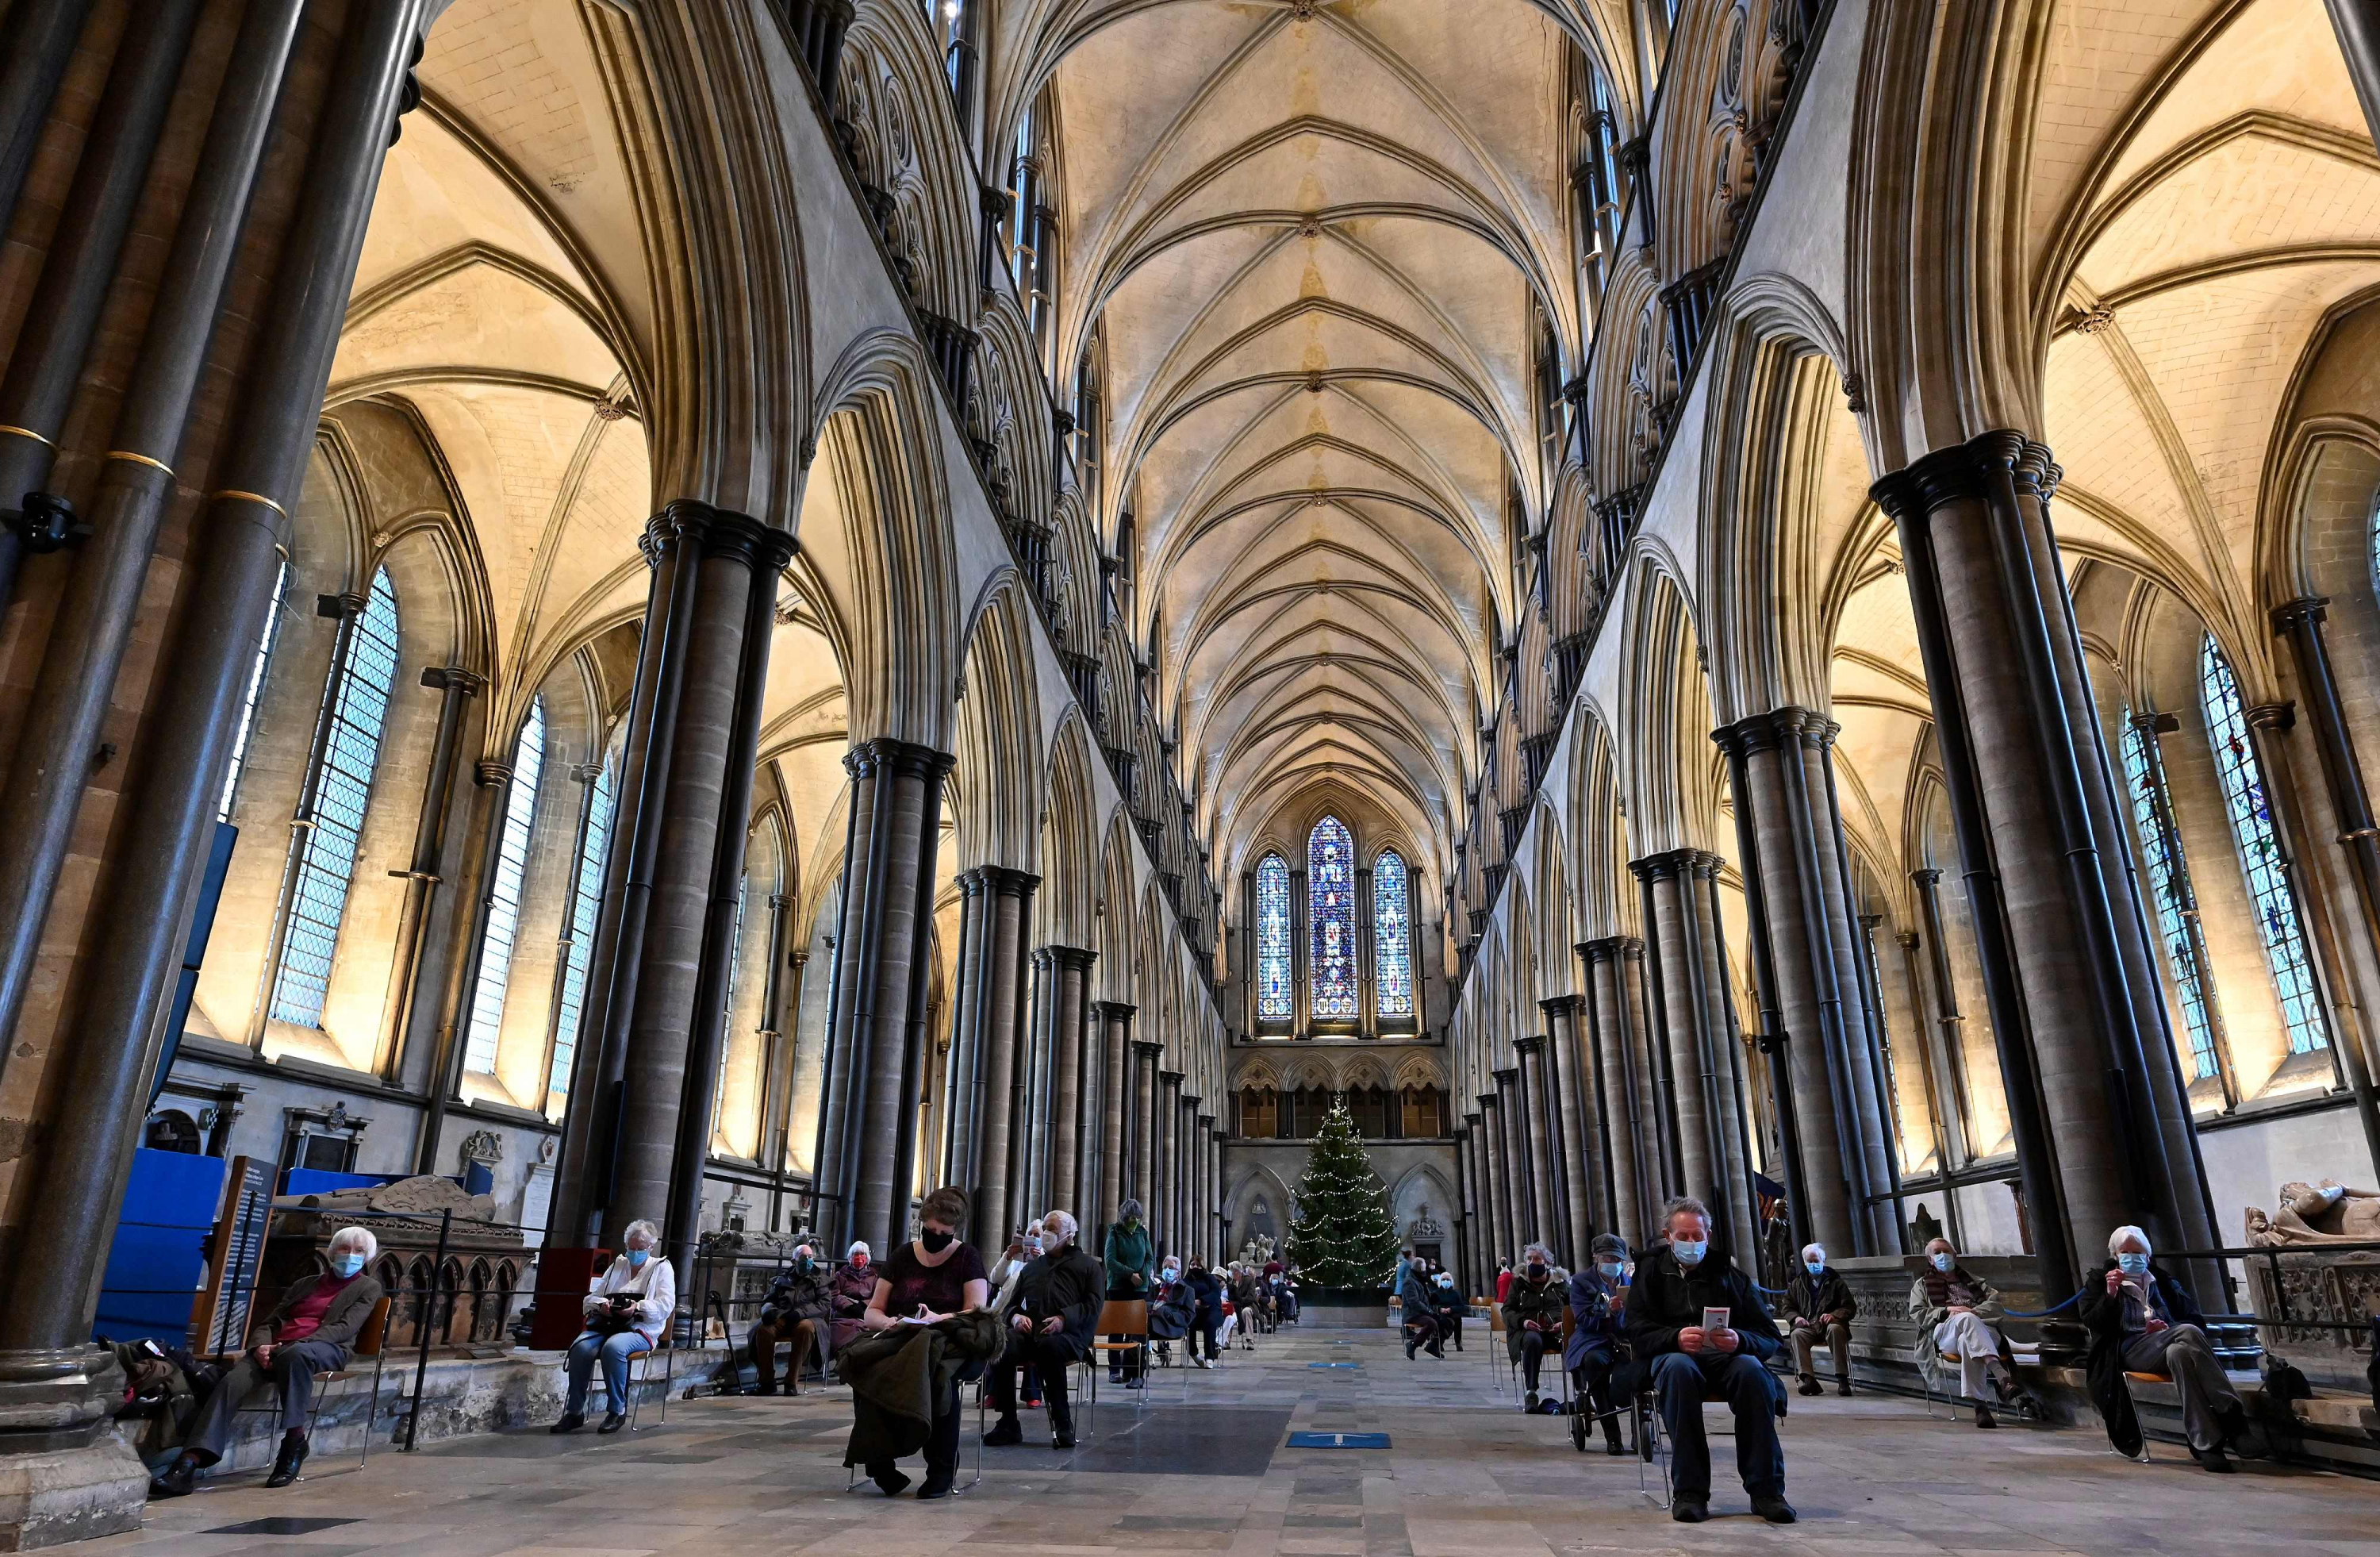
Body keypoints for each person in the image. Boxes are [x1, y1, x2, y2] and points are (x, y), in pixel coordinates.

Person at [148, 1227, 386, 1497]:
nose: (350, 1255)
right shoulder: (304, 1284)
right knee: (231, 1382)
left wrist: (288, 1346)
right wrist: (260, 1346)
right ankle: (188, 1464)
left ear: (366, 1258)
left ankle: (294, 1442)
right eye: (345, 1249)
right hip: (275, 1349)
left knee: (295, 1356)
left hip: (325, 1349)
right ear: (332, 1252)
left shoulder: (368, 1287)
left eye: (358, 1251)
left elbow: (344, 1328)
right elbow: (271, 1321)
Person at [1626, 1198, 1793, 1525]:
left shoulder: (1730, 1275)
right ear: (1668, 1235)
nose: (1692, 1243)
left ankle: (1767, 1491)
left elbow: (1769, 1335)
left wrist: (1739, 1340)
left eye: (1697, 1236)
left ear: (1709, 1235)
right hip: (1673, 1358)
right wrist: (1674, 1338)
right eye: (1683, 1236)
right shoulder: (1649, 1274)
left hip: (1725, 1359)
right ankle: (1690, 1491)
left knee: (1754, 1373)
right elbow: (1635, 1331)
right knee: (1678, 1370)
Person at [851, 1185, 991, 1497]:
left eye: (944, 1232)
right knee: (865, 1368)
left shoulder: (967, 1257)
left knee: (937, 1377)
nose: (935, 1236)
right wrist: (889, 1322)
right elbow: (872, 1311)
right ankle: (880, 1465)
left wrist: (936, 1318)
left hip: (951, 1341)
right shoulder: (903, 1256)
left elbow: (976, 1313)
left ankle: (941, 1469)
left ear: (955, 1231)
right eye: (930, 1230)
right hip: (901, 1337)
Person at [2082, 1225, 2248, 1472]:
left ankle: (2206, 1444)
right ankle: (2232, 1416)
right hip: (2127, 1352)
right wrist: (2112, 1295)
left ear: (2147, 1256)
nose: (2131, 1256)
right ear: (2115, 1255)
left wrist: (2164, 1329)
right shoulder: (2100, 1281)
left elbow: (2193, 1316)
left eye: (2136, 1251)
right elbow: (2094, 1325)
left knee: (2179, 1353)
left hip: (2165, 1345)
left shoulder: (2162, 1281)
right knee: (2188, 1332)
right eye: (2124, 1252)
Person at [982, 1209, 1104, 1447]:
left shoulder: (1089, 1266)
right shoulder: (1032, 1267)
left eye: (1053, 1230)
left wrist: (1063, 1319)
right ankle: (1008, 1423)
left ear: (1069, 1235)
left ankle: (1063, 1423)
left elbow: (1093, 1305)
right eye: (1046, 1228)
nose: (1047, 1233)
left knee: (1051, 1347)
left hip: (1070, 1335)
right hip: (1032, 1333)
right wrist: (1016, 1317)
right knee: (1005, 1343)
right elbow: (1013, 1305)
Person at [550, 1218, 676, 1436]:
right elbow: (590, 1299)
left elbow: (666, 1305)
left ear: (651, 1247)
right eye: (631, 1248)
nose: (635, 1253)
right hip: (607, 1325)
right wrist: (603, 1305)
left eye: (641, 1249)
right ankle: (575, 1411)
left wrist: (638, 1307)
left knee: (614, 1348)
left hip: (640, 1328)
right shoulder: (617, 1266)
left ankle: (617, 1410)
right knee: (580, 1348)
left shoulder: (661, 1268)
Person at [1907, 1236, 2020, 1428]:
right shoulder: (1922, 1285)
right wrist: (1947, 1310)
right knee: (1965, 1320)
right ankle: (2002, 1375)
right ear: (1930, 1259)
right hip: (1945, 1331)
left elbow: (1996, 1307)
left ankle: (1981, 1408)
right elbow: (1918, 1314)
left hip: (1984, 1330)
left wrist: (1973, 1311)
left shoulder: (1976, 1282)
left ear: (1955, 1255)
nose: (1943, 1256)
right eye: (1937, 1253)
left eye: (1946, 1251)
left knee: (1967, 1341)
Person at [1565, 1234, 1630, 1454]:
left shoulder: (1629, 1282)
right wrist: (1606, 1311)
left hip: (1624, 1340)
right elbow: (1583, 1318)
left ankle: (1643, 1432)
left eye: (1617, 1260)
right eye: (1608, 1259)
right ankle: (1613, 1437)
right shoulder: (1582, 1282)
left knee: (1641, 1366)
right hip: (1593, 1340)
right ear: (1597, 1258)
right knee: (1595, 1366)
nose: (1613, 1264)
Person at [748, 1242, 830, 1396]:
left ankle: (791, 1382)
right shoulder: (781, 1280)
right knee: (763, 1330)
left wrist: (800, 1313)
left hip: (809, 1318)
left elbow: (823, 1305)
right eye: (804, 1257)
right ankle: (766, 1381)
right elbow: (768, 1300)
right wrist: (769, 1311)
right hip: (783, 1315)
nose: (808, 1260)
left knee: (804, 1329)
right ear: (794, 1261)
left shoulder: (821, 1280)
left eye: (811, 1257)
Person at [1780, 1241, 1856, 1398]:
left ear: (1823, 1261)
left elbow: (1849, 1307)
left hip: (1830, 1324)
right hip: (1809, 1325)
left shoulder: (1836, 1282)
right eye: (1810, 1261)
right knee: (1797, 1334)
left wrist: (1834, 1315)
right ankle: (1808, 1379)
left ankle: (1842, 1379)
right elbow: (1787, 1307)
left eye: (1816, 1261)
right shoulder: (1797, 1284)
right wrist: (1796, 1318)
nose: (1813, 1264)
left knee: (1835, 1330)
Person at [1503, 1244, 1564, 1409]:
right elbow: (1507, 1311)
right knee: (1532, 1341)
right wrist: (1523, 1322)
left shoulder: (1561, 1283)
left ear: (1547, 1262)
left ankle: (1580, 1392)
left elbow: (1573, 1308)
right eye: (1529, 1259)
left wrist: (1564, 1323)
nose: (1531, 1262)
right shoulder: (1518, 1284)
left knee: (1573, 1340)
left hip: (1556, 1331)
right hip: (1528, 1331)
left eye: (1536, 1259)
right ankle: (1531, 1392)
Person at [1103, 1198, 1154, 1386]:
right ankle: (1114, 1369)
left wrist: (1142, 1274)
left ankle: (1135, 1373)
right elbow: (1110, 1261)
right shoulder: (1114, 1233)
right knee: (1117, 1329)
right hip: (1118, 1288)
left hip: (1140, 1289)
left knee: (1136, 1332)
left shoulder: (1142, 1233)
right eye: (1131, 1217)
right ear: (1124, 1218)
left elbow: (1150, 1258)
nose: (1134, 1220)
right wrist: (1129, 1275)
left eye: (1137, 1217)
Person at [828, 1240, 877, 1355]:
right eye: (856, 1254)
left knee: (866, 1344)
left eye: (862, 1254)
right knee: (842, 1342)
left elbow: (877, 1296)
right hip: (843, 1317)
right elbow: (834, 1294)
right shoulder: (840, 1275)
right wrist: (848, 1306)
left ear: (867, 1257)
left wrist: (863, 1304)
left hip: (864, 1317)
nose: (859, 1257)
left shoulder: (874, 1277)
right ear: (850, 1257)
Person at [1396, 1251, 1444, 1360]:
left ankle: (1433, 1345)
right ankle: (1413, 1344)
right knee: (1431, 1322)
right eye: (1422, 1270)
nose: (1424, 1272)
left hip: (1422, 1312)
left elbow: (1424, 1297)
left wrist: (1432, 1299)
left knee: (1445, 1321)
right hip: (1412, 1313)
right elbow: (1414, 1302)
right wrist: (1430, 1312)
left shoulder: (1420, 1280)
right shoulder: (1410, 1282)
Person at [1184, 1256, 1226, 1367]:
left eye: (1198, 1265)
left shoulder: (1209, 1278)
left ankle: (1210, 1356)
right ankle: (1193, 1353)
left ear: (1203, 1266)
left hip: (1210, 1309)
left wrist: (1201, 1301)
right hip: (1193, 1311)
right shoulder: (1186, 1280)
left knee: (1210, 1323)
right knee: (1188, 1323)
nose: (1195, 1267)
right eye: (1193, 1264)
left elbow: (1216, 1293)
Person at [1431, 1268, 1466, 1351]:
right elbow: (1431, 1306)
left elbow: (1462, 1306)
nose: (1446, 1281)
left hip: (1452, 1313)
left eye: (1448, 1279)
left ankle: (1458, 1343)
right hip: (1441, 1314)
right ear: (1440, 1281)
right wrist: (1440, 1309)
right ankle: (1440, 1342)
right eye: (1443, 1279)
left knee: (1457, 1320)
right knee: (1443, 1322)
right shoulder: (1435, 1293)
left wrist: (1451, 1309)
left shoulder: (1455, 1294)